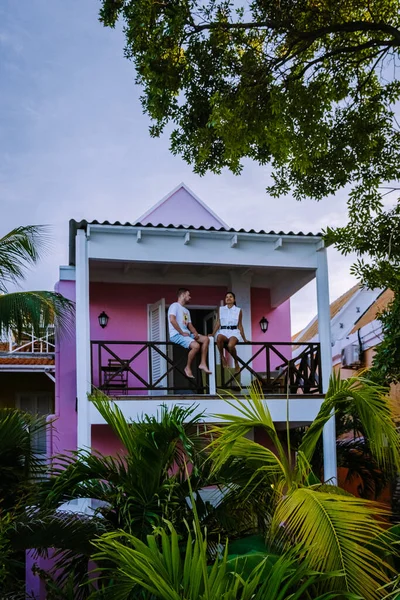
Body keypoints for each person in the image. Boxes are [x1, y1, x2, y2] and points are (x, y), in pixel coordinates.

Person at [168, 288, 212, 379]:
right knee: (196, 346)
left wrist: (195, 333)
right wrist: (181, 332)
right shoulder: (174, 305)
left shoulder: (186, 311)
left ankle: (203, 363)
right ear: (183, 295)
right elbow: (172, 320)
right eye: (188, 295)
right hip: (176, 335)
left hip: (186, 334)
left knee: (206, 339)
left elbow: (189, 324)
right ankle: (187, 368)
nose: (190, 297)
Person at [212, 291, 248, 373]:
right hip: (223, 331)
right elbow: (218, 322)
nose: (228, 298)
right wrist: (213, 333)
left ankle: (236, 361)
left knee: (231, 346)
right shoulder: (221, 309)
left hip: (234, 332)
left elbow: (240, 325)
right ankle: (222, 358)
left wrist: (244, 339)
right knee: (219, 337)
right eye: (227, 297)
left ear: (234, 299)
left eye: (230, 297)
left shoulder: (238, 310)